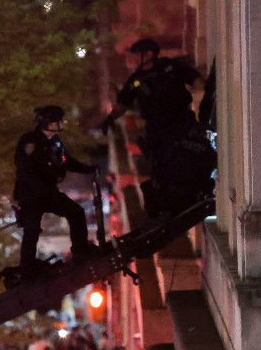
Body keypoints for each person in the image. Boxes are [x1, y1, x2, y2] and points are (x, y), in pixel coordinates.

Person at [102, 38, 214, 218]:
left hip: (181, 122)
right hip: (156, 128)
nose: (135, 59)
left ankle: (198, 191)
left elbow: (196, 80)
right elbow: (123, 103)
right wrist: (110, 119)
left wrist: (208, 87)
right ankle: (161, 209)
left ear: (149, 53)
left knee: (195, 155)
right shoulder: (136, 80)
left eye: (137, 54)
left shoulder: (171, 67)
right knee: (159, 168)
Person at [13, 105, 99, 278]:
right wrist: (42, 190)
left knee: (76, 212)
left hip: (49, 192)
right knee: (32, 229)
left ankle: (80, 251)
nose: (60, 123)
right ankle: (27, 269)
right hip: (31, 195)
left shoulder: (56, 141)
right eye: (56, 121)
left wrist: (89, 169)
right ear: (46, 123)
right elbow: (26, 170)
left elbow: (67, 161)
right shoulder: (30, 142)